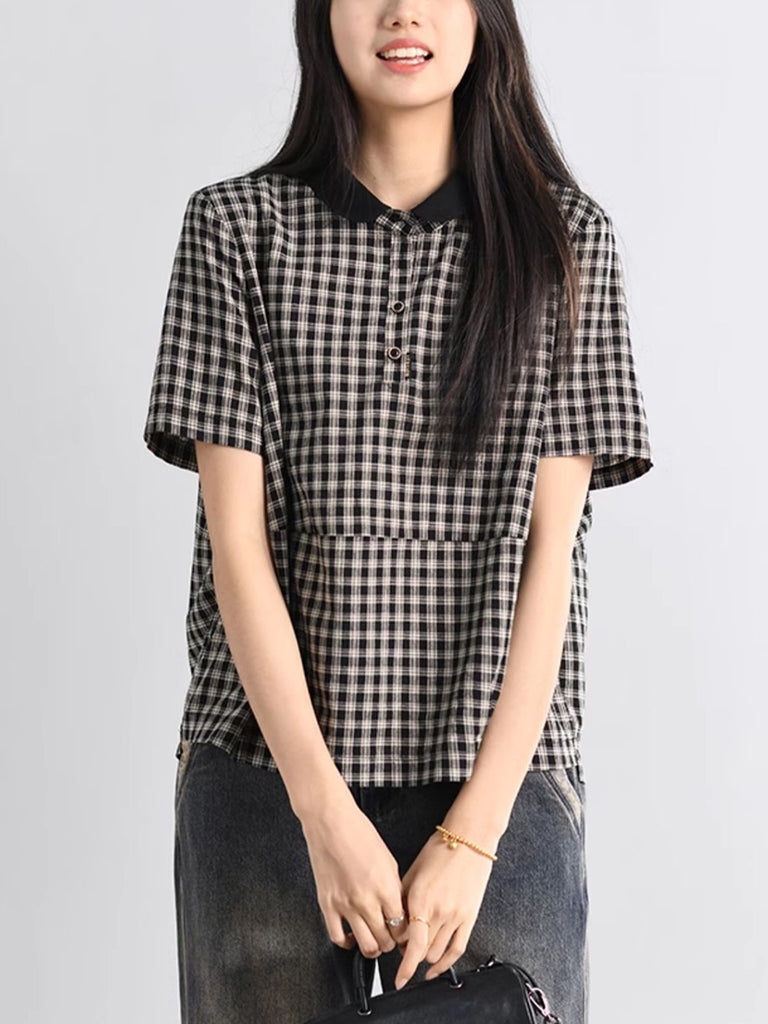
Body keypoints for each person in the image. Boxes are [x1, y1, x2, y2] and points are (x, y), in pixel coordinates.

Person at [142, 2, 654, 1022]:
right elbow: (237, 545)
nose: (403, 12)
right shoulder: (236, 229)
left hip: (497, 777)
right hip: (267, 765)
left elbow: (550, 555)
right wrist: (323, 813)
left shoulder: (566, 242)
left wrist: (472, 835)